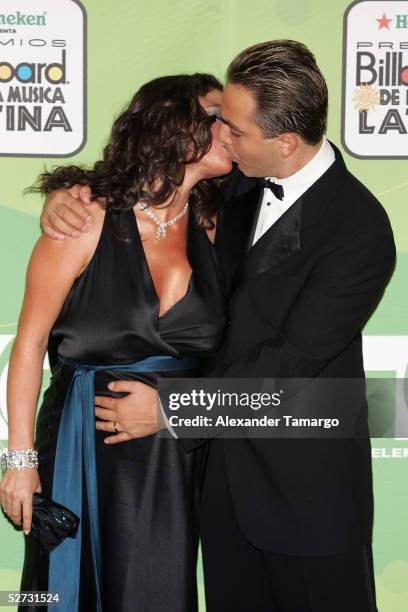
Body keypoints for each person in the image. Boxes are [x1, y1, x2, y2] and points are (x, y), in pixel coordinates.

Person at [37, 41, 396, 612]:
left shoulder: (359, 230)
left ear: (283, 142)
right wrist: (67, 197)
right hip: (220, 489)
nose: (221, 138)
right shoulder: (238, 182)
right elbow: (149, 181)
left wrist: (170, 410)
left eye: (233, 128)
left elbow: (288, 366)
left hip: (306, 494)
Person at [0, 73, 232, 612]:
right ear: (173, 123)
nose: (232, 128)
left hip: (176, 454)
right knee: (65, 588)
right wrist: (19, 459)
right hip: (86, 442)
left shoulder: (217, 224)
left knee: (158, 589)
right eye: (217, 115)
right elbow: (29, 345)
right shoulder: (84, 221)